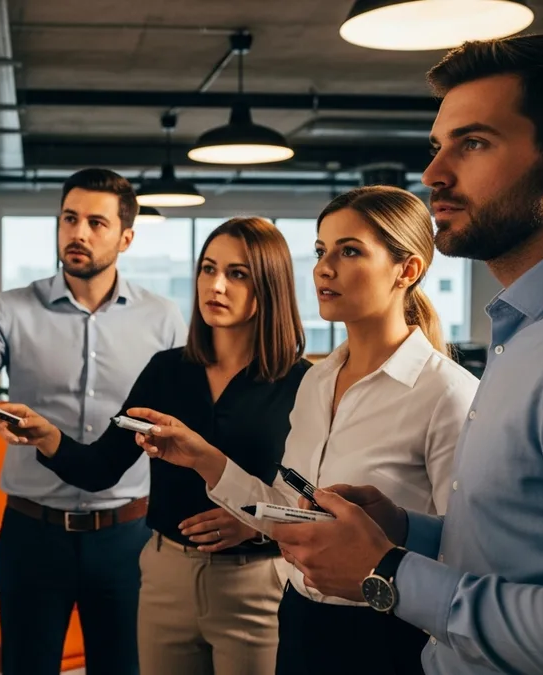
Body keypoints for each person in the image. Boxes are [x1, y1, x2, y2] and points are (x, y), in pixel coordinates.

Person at [262, 33, 543, 675]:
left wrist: (387, 572)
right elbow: (521, 550)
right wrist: (404, 531)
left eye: (473, 143)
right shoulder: (529, 328)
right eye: (438, 145)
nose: (433, 174)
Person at [131, 187, 478, 675]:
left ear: (408, 270)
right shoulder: (316, 381)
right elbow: (288, 513)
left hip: (389, 631)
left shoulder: (448, 394)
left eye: (349, 250)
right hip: (299, 618)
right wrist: (202, 457)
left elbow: (466, 555)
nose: (323, 268)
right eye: (320, 251)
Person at [0, 167, 186, 675]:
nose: (79, 233)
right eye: (69, 219)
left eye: (96, 222)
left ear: (126, 237)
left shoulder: (163, 320)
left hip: (127, 537)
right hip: (33, 535)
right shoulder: (12, 310)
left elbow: (181, 425)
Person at [0, 216, 309, 675]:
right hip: (166, 577)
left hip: (256, 583)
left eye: (237, 274)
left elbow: (313, 501)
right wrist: (48, 437)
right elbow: (101, 467)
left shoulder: (302, 383)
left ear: (270, 286)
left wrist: (258, 526)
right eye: (208, 269)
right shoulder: (167, 371)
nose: (215, 286)